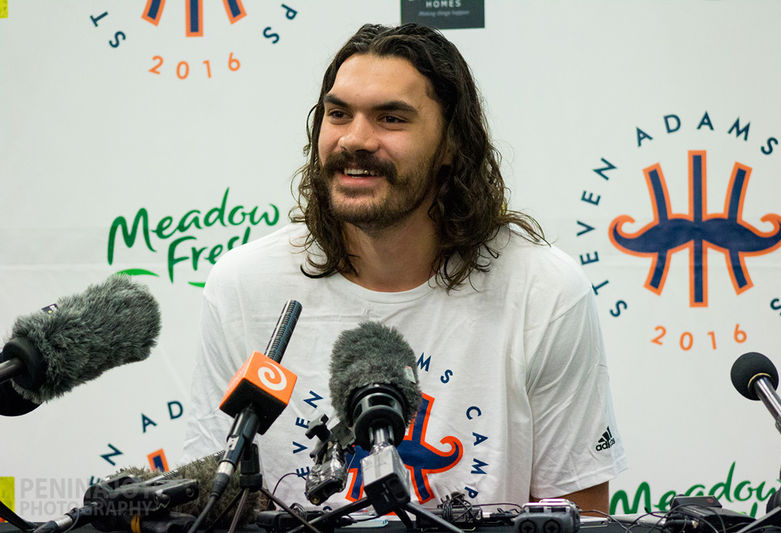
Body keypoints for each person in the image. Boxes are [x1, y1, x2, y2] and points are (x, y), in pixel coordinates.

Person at [183, 23, 626, 513]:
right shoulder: (244, 286)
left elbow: (580, 517)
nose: (354, 139)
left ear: (452, 144)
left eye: (390, 118)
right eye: (338, 114)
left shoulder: (544, 292)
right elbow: (211, 506)